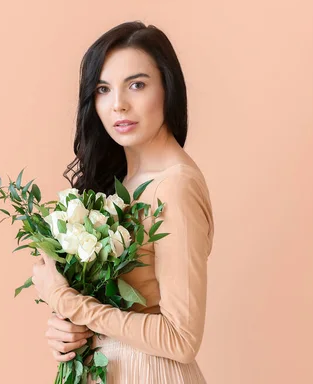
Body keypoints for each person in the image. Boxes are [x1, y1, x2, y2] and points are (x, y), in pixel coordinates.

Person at [31, 21, 215, 384]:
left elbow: (182, 340)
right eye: (103, 89)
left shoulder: (175, 185)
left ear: (168, 89)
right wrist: (68, 333)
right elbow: (111, 313)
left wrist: (71, 304)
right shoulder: (121, 185)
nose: (118, 105)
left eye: (137, 84)